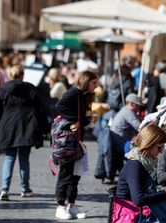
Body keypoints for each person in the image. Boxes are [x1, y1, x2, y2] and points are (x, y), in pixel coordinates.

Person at [0, 65, 49, 201]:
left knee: (9, 158)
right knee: (24, 159)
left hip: (7, 127)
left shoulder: (3, 89)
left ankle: (5, 189)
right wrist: (46, 129)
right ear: (22, 75)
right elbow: (41, 108)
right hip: (27, 126)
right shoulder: (30, 88)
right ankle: (25, 188)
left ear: (10, 75)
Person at [54, 70, 99, 220]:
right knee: (66, 174)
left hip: (77, 140)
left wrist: (88, 119)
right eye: (94, 83)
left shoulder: (84, 96)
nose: (96, 86)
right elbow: (60, 107)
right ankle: (60, 206)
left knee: (75, 175)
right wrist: (74, 120)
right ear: (86, 81)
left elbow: (80, 117)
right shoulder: (74, 93)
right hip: (67, 141)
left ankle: (71, 205)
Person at [115, 124, 166, 222]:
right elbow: (138, 200)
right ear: (149, 143)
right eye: (159, 147)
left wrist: (164, 190)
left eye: (163, 148)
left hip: (139, 212)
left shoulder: (144, 162)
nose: (161, 152)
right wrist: (164, 194)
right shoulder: (134, 165)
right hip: (130, 215)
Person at [110, 93, 143, 178]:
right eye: (138, 105)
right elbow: (139, 126)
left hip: (119, 139)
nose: (139, 107)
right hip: (121, 141)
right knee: (135, 154)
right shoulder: (128, 112)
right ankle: (134, 174)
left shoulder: (125, 110)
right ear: (131, 104)